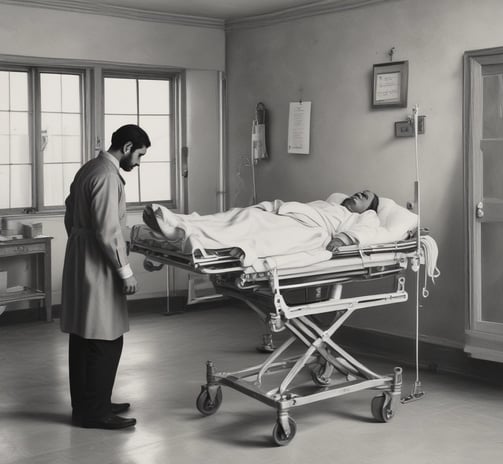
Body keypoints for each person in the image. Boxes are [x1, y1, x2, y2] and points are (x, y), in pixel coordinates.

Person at [61, 124, 151, 430]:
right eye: (139, 154)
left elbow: (70, 212)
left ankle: (88, 403)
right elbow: (108, 230)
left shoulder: (90, 169)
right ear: (127, 148)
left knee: (84, 337)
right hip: (98, 263)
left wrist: (81, 243)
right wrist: (125, 271)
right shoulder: (108, 176)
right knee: (105, 339)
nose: (138, 162)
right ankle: (95, 412)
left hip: (82, 255)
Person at [142, 189, 380, 267]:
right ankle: (181, 222)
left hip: (309, 230)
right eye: (361, 190)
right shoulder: (329, 203)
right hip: (284, 213)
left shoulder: (362, 217)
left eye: (366, 196)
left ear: (369, 207)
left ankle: (182, 234)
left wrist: (341, 240)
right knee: (238, 215)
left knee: (247, 227)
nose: (360, 193)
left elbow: (367, 232)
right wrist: (270, 207)